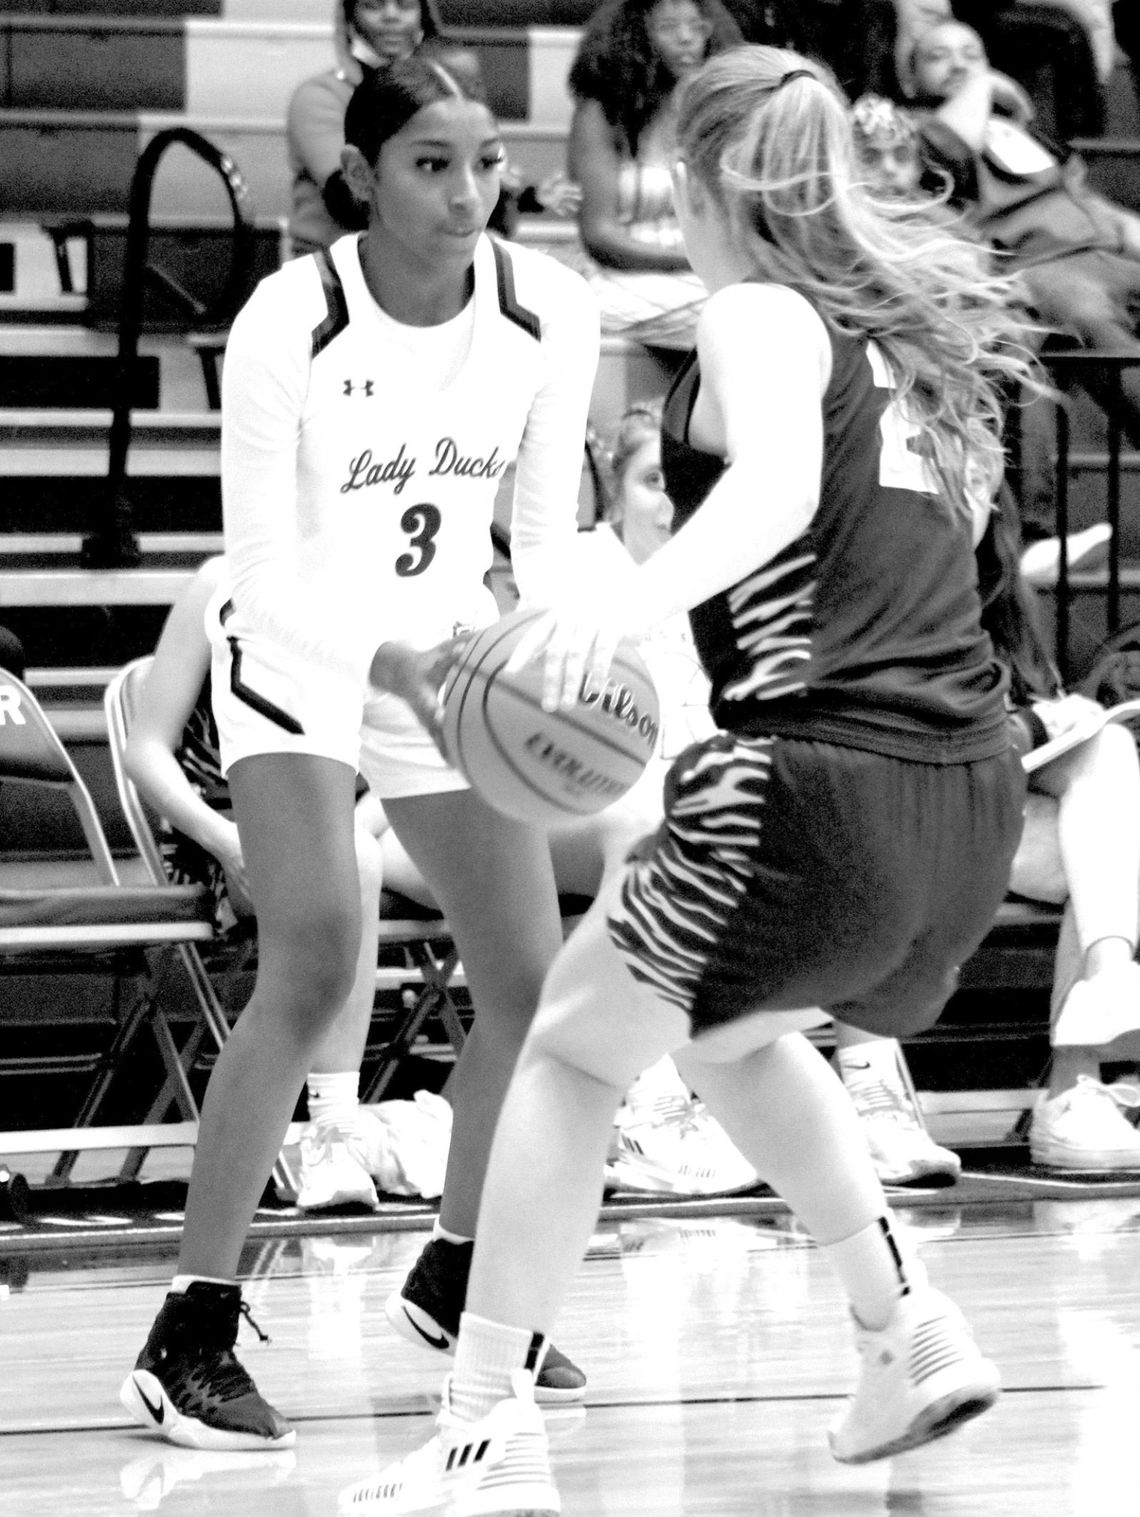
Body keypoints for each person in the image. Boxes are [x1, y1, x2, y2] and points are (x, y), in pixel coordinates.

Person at [339, 45, 1035, 1514]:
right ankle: (904, 1329)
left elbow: (779, 488)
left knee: (570, 1059)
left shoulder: (766, 313)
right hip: (964, 794)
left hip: (816, 777)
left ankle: (483, 1430)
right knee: (730, 1033)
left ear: (695, 170)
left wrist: (618, 614)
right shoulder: (901, 340)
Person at [118, 54, 601, 1452]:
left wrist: (548, 658)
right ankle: (188, 1328)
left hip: (450, 659)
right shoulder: (291, 316)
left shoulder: (545, 309)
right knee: (317, 955)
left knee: (528, 979)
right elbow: (258, 579)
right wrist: (391, 662)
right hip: (302, 655)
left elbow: (551, 532)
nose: (468, 195)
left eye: (487, 164)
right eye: (432, 166)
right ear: (364, 179)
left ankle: (459, 1273)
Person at [122, 554, 446, 1215]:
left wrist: (355, 819)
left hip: (359, 813)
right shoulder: (219, 583)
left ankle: (601, 1107)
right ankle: (333, 1129)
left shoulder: (370, 578)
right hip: (233, 826)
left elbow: (402, 752)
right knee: (349, 855)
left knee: (487, 859)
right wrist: (222, 837)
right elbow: (144, 750)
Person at [903, 19, 1140, 489]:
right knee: (1086, 313)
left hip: (1104, 250)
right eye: (939, 55)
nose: (959, 65)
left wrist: (1128, 228)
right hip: (1037, 266)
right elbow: (944, 148)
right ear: (910, 77)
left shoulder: (1020, 130)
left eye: (972, 54)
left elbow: (1087, 199)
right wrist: (983, 83)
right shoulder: (907, 127)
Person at [975, 497, 1140, 1171]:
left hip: (1000, 813)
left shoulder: (1002, 592)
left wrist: (1053, 718)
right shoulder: (885, 578)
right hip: (918, 807)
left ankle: (1082, 1071)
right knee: (1108, 836)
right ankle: (1071, 1088)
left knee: (1105, 779)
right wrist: (1038, 726)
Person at [286, 0, 577, 257]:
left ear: (424, 16)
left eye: (405, 5)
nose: (391, 16)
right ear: (348, 19)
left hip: (425, 262)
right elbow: (348, 200)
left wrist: (523, 195)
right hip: (336, 261)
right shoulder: (320, 96)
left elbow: (468, 185)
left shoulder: (447, 94)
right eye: (374, 5)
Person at [563, 0, 743, 349]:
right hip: (624, 277)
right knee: (737, 317)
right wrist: (695, 260)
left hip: (703, 276)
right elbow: (600, 237)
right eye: (668, 27)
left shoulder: (714, 112)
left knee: (764, 306)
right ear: (633, 39)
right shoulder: (600, 114)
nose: (686, 39)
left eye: (696, 26)